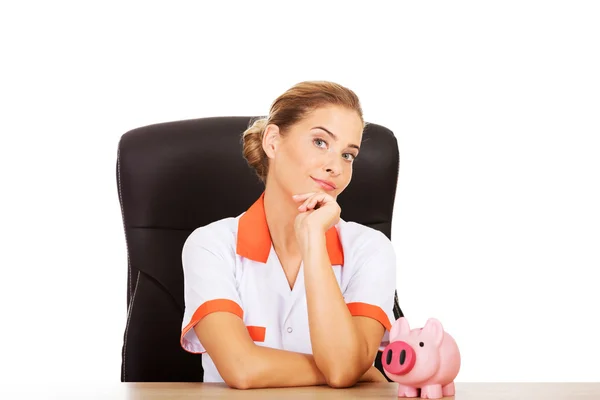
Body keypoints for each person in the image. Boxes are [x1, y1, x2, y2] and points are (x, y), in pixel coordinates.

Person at [179, 81, 397, 389]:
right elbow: (242, 370)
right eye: (320, 142)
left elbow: (343, 369)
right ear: (272, 141)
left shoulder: (370, 250)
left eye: (348, 155)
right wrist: (352, 369)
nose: (336, 166)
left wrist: (312, 239)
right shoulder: (211, 245)